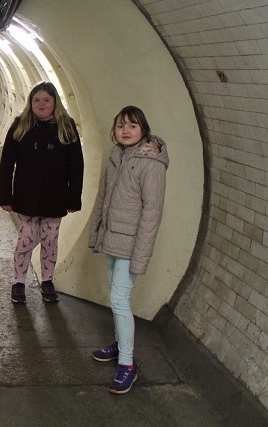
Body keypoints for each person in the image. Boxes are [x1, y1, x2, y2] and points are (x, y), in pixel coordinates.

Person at [88, 105, 168, 395]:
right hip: (112, 238)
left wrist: (140, 257)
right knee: (115, 295)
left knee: (119, 299)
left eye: (133, 126)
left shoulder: (151, 163)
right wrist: (96, 232)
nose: (125, 130)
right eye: (121, 125)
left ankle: (127, 365)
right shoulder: (116, 155)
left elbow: (152, 213)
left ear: (143, 130)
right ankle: (120, 344)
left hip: (131, 245)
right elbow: (103, 197)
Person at [0, 82, 84, 305]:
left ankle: (47, 281)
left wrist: (74, 198)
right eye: (36, 100)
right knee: (25, 240)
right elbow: (7, 163)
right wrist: (6, 196)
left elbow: (76, 166)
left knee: (49, 241)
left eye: (46, 100)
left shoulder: (67, 127)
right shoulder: (20, 126)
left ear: (55, 102)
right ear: (30, 103)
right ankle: (19, 282)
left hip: (55, 198)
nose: (41, 104)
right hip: (26, 197)